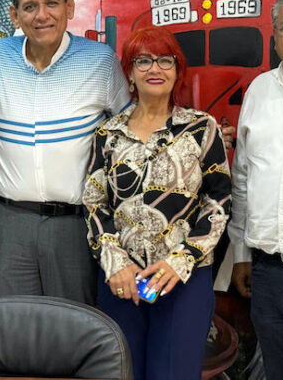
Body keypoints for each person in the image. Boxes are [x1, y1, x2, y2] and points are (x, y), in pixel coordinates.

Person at [83, 26, 231, 380]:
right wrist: (115, 261)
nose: (155, 69)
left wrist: (183, 259)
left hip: (183, 280)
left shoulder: (201, 128)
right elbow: (94, 203)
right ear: (130, 73)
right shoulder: (108, 134)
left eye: (165, 60)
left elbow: (219, 199)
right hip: (122, 279)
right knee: (122, 372)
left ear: (178, 70)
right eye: (143, 61)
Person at [0, 0, 132, 305]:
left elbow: (131, 131)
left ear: (69, 7)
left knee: (73, 326)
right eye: (30, 7)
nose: (42, 15)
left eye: (51, 3)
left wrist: (192, 139)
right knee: (11, 325)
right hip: (9, 224)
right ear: (14, 15)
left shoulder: (100, 61)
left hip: (75, 226)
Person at [228, 0, 283, 380]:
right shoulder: (259, 91)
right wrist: (241, 253)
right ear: (275, 37)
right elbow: (243, 178)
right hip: (268, 275)